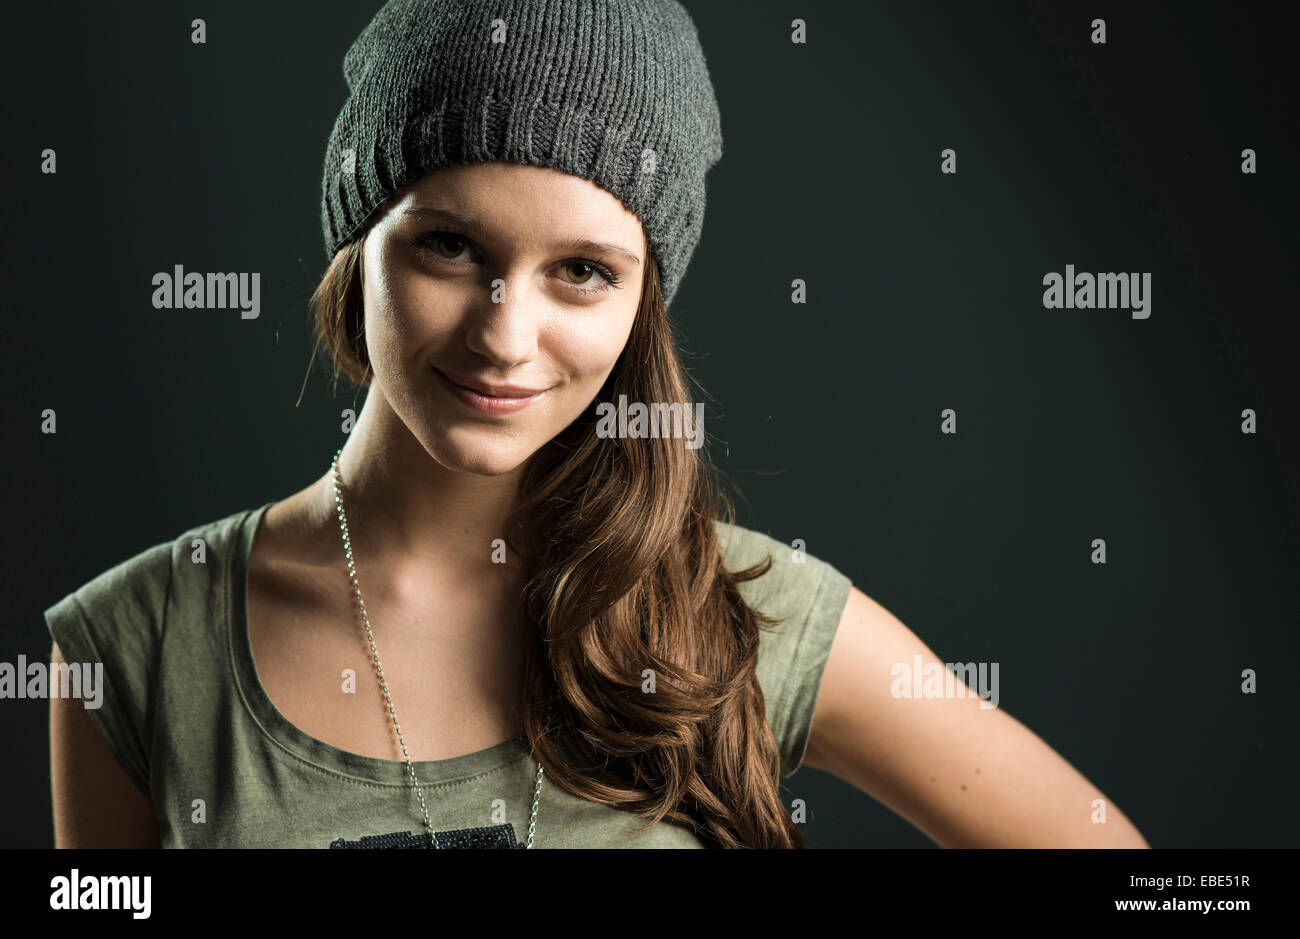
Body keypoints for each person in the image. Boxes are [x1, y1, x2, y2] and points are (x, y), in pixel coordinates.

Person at [47, 0, 1149, 849]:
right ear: (358, 241)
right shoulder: (133, 647)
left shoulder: (734, 617)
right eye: (447, 247)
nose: (505, 335)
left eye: (580, 271)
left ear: (640, 300)